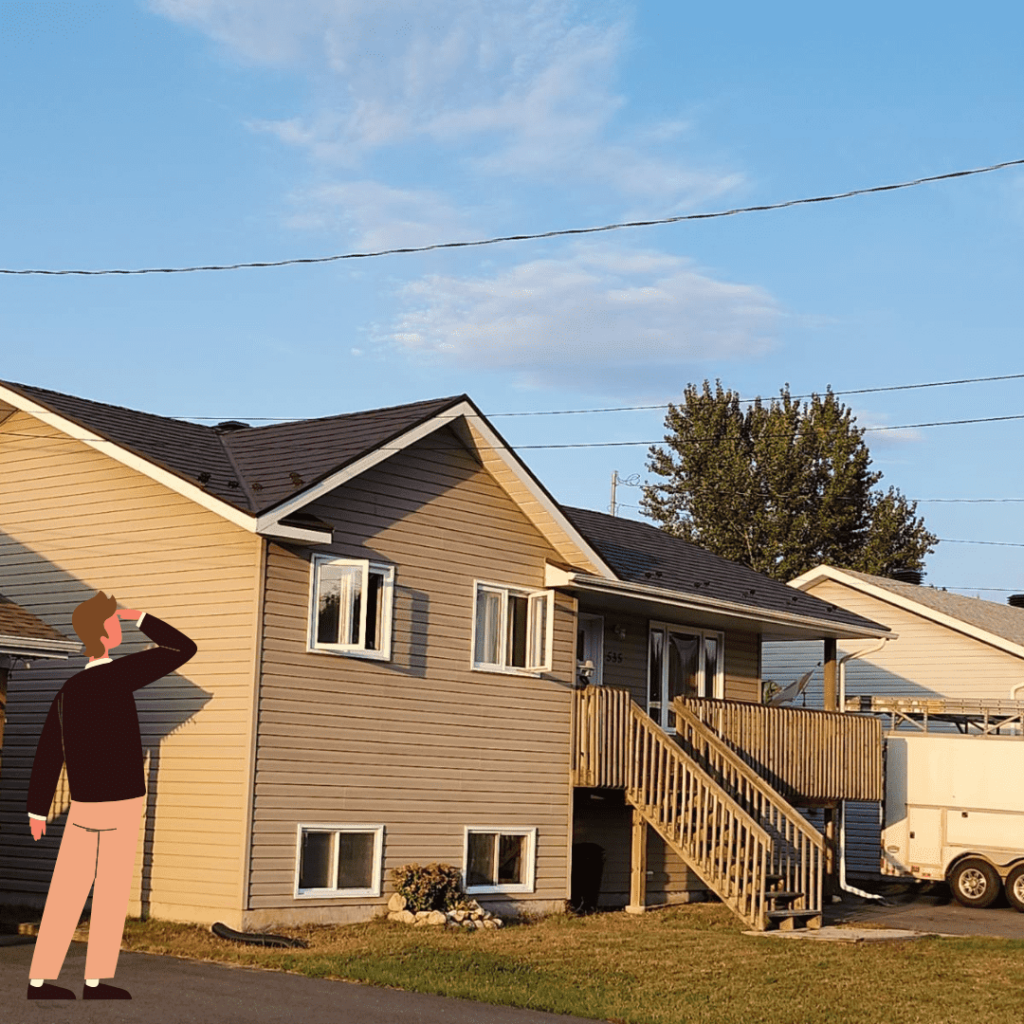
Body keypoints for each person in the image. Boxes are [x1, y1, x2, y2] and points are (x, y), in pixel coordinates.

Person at [25, 592, 197, 1000]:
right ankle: (95, 981)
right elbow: (183, 647)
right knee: (110, 890)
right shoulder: (120, 675)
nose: (121, 626)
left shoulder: (68, 690)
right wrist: (140, 617)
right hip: (120, 801)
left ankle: (39, 980)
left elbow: (50, 750)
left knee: (67, 889)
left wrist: (37, 809)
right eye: (116, 622)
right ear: (105, 633)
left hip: (84, 804)